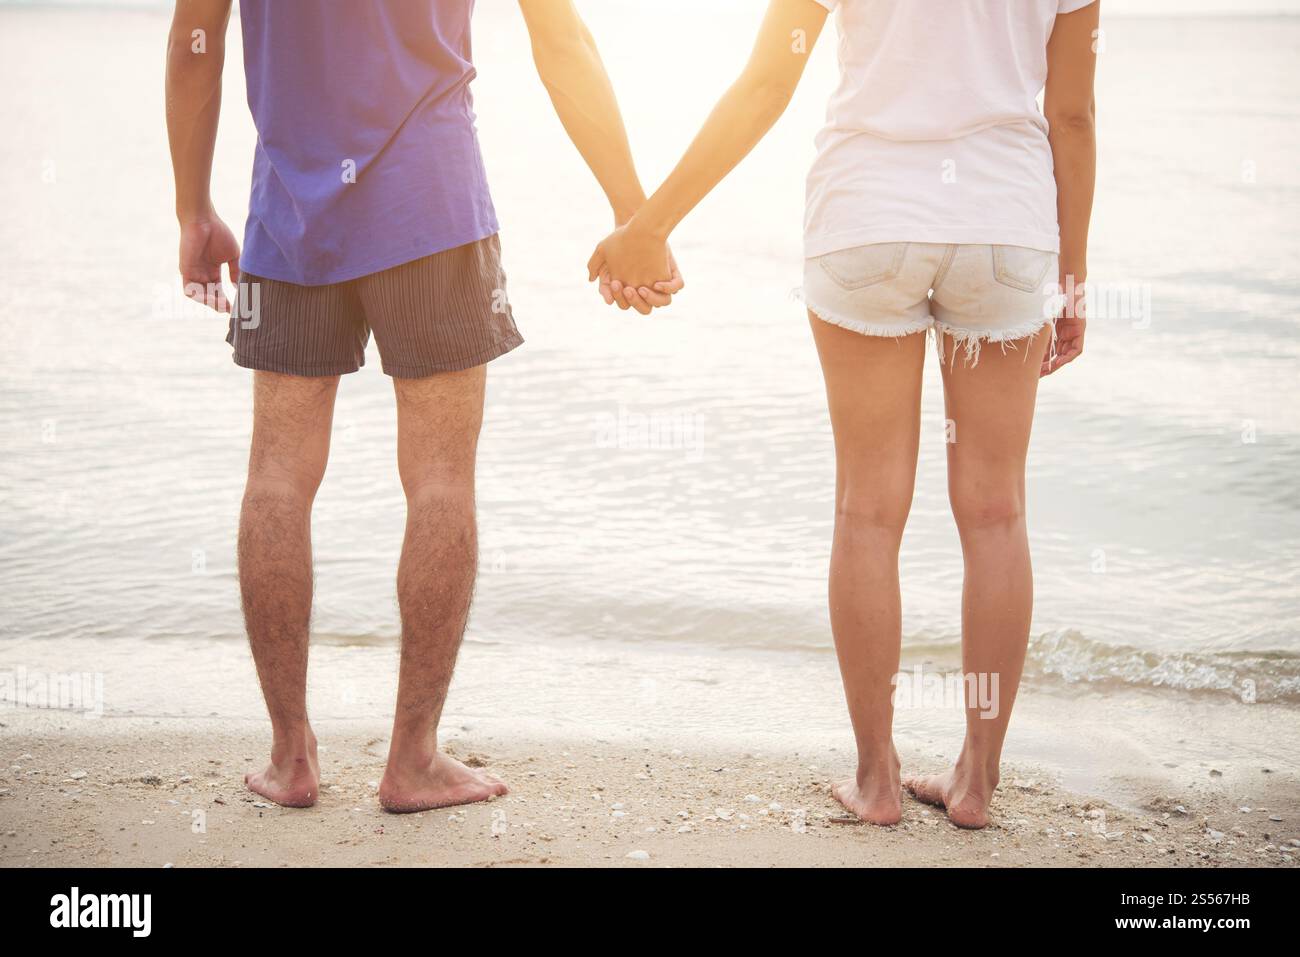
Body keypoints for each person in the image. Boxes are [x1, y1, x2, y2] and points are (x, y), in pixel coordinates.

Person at [589, 0, 1098, 828]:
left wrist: (649, 226)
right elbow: (1071, 115)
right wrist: (1072, 277)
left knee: (867, 509)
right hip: (1005, 227)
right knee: (996, 511)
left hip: (867, 220)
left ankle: (876, 779)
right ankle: (976, 780)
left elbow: (766, 83)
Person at [165, 0, 681, 812]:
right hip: (432, 205)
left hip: (288, 214)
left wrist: (192, 209)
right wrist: (633, 213)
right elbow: (560, 36)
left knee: (277, 476)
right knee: (440, 477)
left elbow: (196, 42)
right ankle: (412, 758)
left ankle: (290, 755)